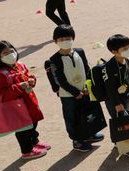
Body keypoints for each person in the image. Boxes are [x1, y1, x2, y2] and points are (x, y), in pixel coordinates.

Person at [44, 24, 104, 152]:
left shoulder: (80, 52)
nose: (65, 41)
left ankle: (89, 134)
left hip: (85, 91)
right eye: (61, 39)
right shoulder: (54, 60)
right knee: (73, 117)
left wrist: (88, 86)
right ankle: (77, 140)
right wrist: (75, 92)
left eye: (68, 38)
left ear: (73, 38)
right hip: (68, 95)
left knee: (87, 112)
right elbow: (60, 79)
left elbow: (87, 69)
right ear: (55, 41)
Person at [0, 41, 49, 160]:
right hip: (17, 107)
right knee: (23, 129)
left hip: (29, 102)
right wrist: (19, 87)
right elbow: (1, 96)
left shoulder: (19, 65)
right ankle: (27, 150)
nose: (10, 54)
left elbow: (28, 75)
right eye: (5, 53)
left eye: (11, 51)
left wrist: (31, 80)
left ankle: (34, 141)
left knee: (33, 123)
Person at [102, 34, 129, 158]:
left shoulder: (126, 60)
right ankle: (125, 145)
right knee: (119, 120)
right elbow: (109, 88)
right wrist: (117, 104)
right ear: (114, 51)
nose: (128, 50)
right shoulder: (108, 67)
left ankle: (120, 141)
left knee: (125, 117)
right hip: (113, 99)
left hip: (125, 95)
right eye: (124, 48)